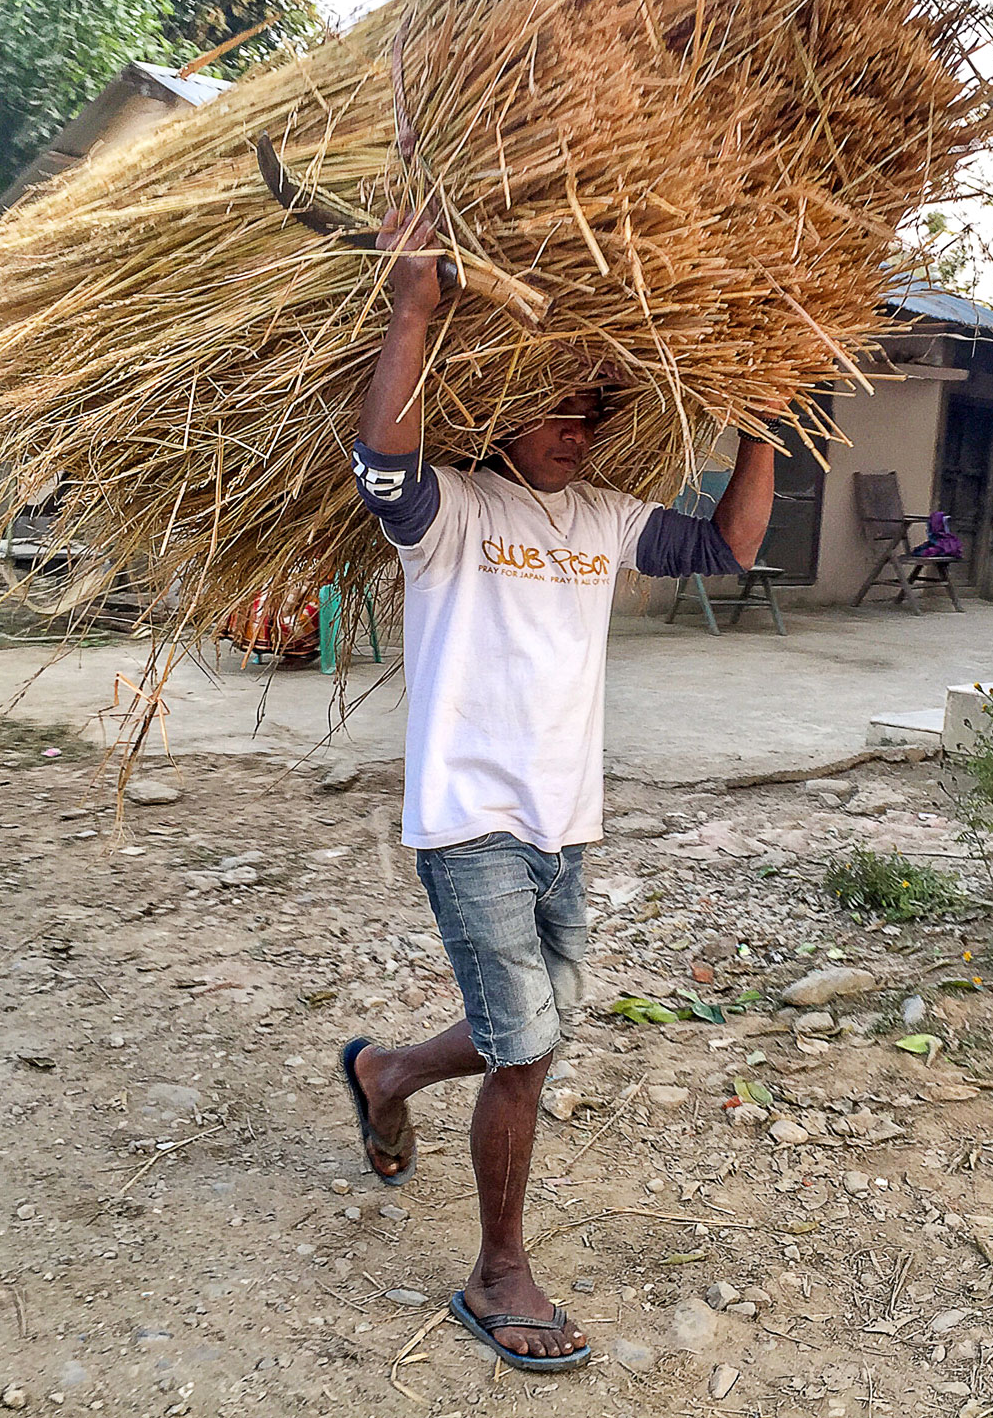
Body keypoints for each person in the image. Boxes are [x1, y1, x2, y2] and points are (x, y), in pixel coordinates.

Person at [337, 210, 776, 1372]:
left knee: (525, 1030)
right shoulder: (453, 512)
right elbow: (383, 465)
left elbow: (728, 549)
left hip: (562, 824)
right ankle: (496, 1273)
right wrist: (414, 307)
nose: (577, 432)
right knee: (525, 1048)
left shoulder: (602, 518)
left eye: (590, 415)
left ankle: (384, 1073)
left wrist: (766, 426)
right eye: (557, 411)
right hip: (468, 818)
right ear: (500, 413)